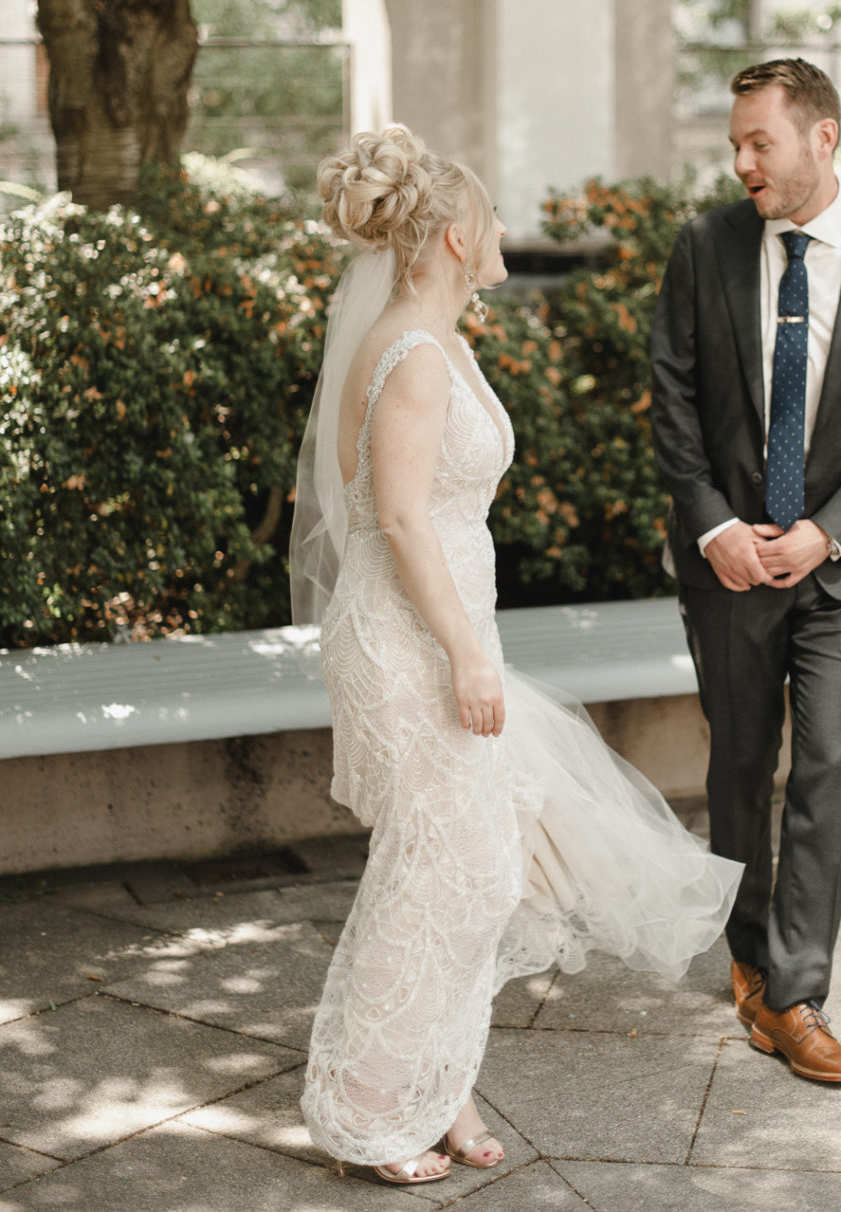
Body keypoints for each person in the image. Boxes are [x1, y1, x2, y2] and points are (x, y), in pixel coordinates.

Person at [290, 125, 741, 1185]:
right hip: (413, 640)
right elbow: (397, 519)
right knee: (438, 873)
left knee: (482, 871)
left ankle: (436, 1080)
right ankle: (363, 1106)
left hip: (444, 627)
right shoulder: (407, 352)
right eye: (491, 221)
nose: (500, 235)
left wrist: (471, 641)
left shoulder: (437, 339)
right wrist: (465, 655)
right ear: (457, 236)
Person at [651, 58, 841, 1085]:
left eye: (757, 142)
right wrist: (715, 527)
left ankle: (796, 994)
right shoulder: (704, 248)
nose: (740, 162)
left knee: (822, 764)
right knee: (739, 762)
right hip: (728, 567)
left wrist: (826, 532)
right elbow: (673, 403)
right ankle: (745, 953)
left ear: (821, 139)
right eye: (734, 143)